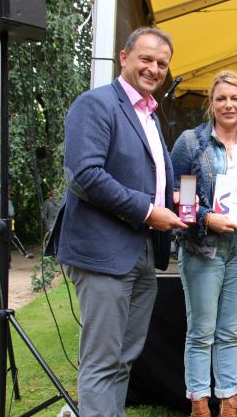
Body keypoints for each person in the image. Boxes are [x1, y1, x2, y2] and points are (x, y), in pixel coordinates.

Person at [44, 26, 188, 417]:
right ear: (123, 58)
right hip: (103, 251)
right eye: (146, 59)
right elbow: (84, 175)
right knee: (102, 360)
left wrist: (168, 199)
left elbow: (141, 173)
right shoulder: (96, 104)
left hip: (140, 249)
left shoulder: (149, 115)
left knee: (125, 356)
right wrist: (147, 209)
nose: (154, 69)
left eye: (161, 63)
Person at [170, 70, 237, 417]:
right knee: (201, 332)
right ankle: (199, 405)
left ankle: (229, 404)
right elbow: (179, 200)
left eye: (235, 98)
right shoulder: (190, 143)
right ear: (210, 103)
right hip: (203, 248)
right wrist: (206, 217)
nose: (229, 105)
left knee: (230, 333)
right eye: (221, 98)